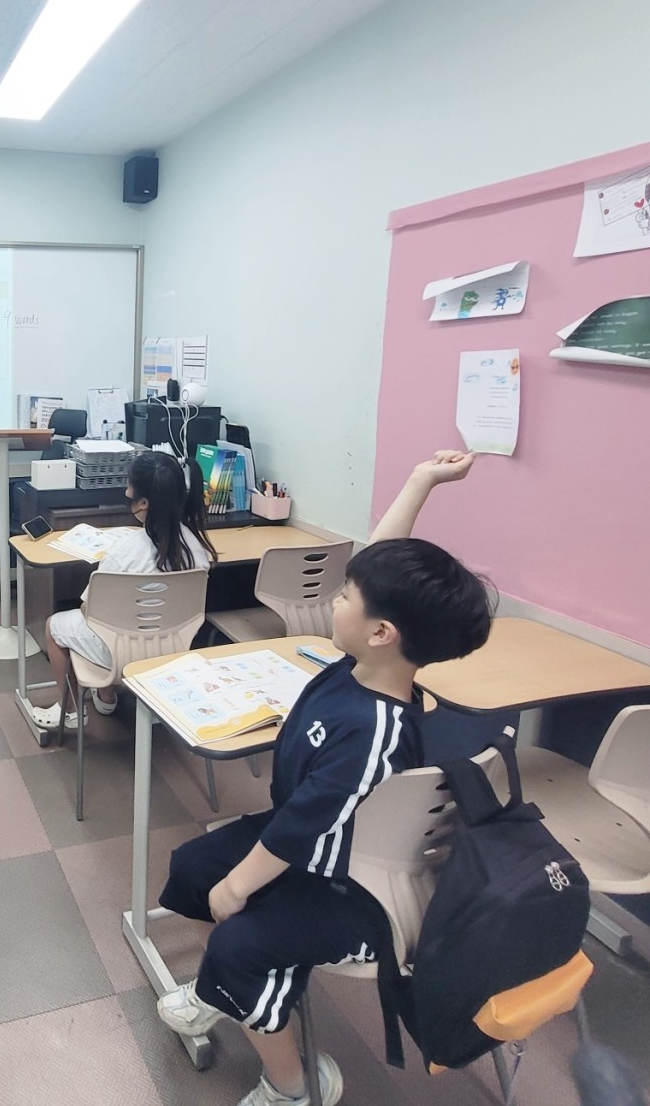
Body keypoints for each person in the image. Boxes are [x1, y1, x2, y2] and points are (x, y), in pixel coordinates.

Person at [155, 450, 494, 1106]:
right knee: (194, 868)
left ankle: (293, 1086)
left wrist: (238, 887)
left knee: (242, 942)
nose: (334, 594)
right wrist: (420, 478)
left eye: (344, 596)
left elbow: (306, 822)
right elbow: (380, 560)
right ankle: (223, 995)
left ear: (382, 632)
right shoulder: (362, 664)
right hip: (307, 846)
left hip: (348, 885)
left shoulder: (375, 729)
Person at [31, 449, 214, 732]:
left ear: (143, 501)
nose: (126, 491)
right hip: (173, 650)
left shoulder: (124, 552)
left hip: (120, 653)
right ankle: (105, 697)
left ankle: (69, 710)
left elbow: (90, 610)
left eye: (129, 486)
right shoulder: (199, 550)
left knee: (54, 626)